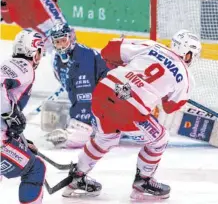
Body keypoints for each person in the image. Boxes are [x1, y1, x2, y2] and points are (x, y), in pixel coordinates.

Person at [62, 30, 202, 200]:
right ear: (188, 54)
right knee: (160, 139)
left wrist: (123, 69)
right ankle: (143, 181)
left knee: (106, 138)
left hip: (104, 92)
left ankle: (77, 176)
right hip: (130, 110)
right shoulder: (186, 78)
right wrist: (161, 92)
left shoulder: (151, 46)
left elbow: (109, 50)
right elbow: (170, 107)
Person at [43, 22, 109, 149]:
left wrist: (80, 122)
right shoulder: (58, 59)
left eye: (63, 40)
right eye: (57, 42)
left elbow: (85, 95)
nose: (61, 45)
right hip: (97, 98)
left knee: (88, 129)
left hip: (109, 100)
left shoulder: (83, 57)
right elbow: (70, 88)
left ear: (71, 38)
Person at [1, 29, 45, 203]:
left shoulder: (8, 63)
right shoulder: (24, 66)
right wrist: (10, 112)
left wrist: (22, 140)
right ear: (33, 51)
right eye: (39, 52)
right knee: (36, 168)